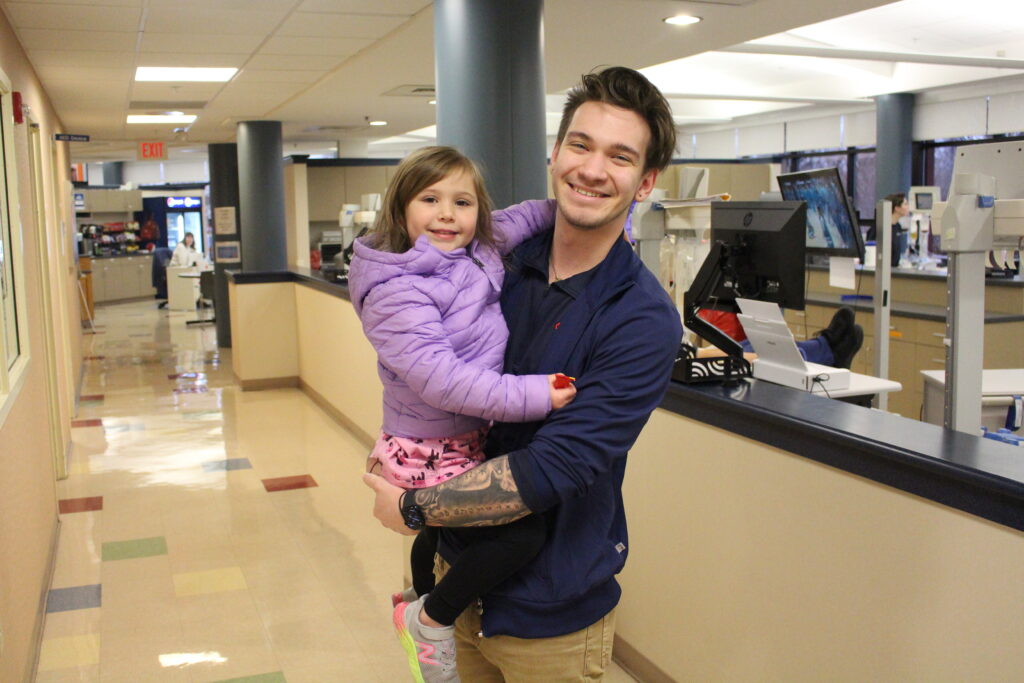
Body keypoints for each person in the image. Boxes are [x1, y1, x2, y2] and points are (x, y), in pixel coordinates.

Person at [363, 66, 684, 680]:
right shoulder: (490, 256)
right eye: (581, 145)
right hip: (449, 586)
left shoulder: (642, 318)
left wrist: (414, 504)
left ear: (645, 182)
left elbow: (550, 470)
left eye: (619, 157)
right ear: (556, 152)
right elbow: (405, 289)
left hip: (550, 619)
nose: (592, 170)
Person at [346, 146, 575, 683]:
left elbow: (525, 217)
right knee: (520, 536)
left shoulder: (478, 248)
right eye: (430, 199)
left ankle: (417, 593)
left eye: (462, 201)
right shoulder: (396, 288)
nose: (448, 213)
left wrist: (581, 200)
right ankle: (431, 617)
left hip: (459, 435)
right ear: (401, 209)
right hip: (429, 446)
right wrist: (536, 394)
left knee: (444, 531)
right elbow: (442, 380)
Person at [867, 193, 909, 267]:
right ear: (897, 208)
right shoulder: (880, 228)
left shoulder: (897, 226)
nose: (908, 207)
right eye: (905, 204)